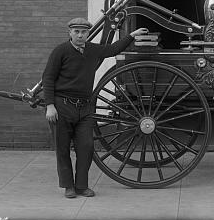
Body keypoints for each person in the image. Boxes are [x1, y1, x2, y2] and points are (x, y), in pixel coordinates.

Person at [42, 17, 148, 198]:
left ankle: (82, 186)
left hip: (85, 108)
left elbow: (113, 49)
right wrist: (50, 105)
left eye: (84, 32)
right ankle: (68, 186)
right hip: (62, 106)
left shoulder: (92, 50)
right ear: (70, 33)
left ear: (88, 34)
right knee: (63, 148)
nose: (80, 35)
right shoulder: (60, 51)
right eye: (76, 32)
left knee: (87, 147)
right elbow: (48, 78)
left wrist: (131, 35)